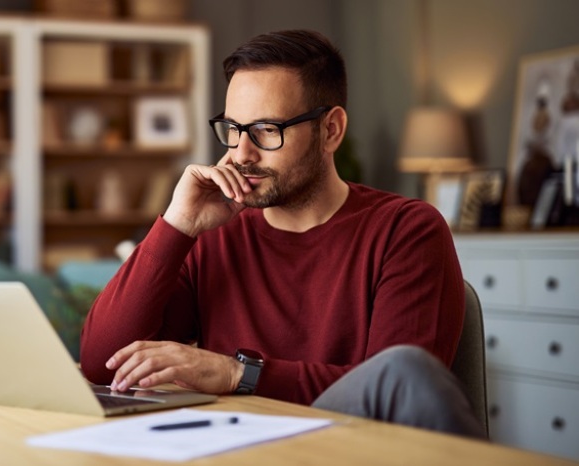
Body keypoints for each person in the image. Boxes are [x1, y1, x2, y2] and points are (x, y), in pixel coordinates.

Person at [79, 30, 484, 438]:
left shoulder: (406, 230)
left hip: (350, 446)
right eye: (233, 129)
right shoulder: (215, 236)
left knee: (404, 369)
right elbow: (101, 364)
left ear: (331, 130)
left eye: (266, 130)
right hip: (237, 451)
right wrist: (176, 225)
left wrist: (239, 373)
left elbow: (398, 393)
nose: (241, 154)